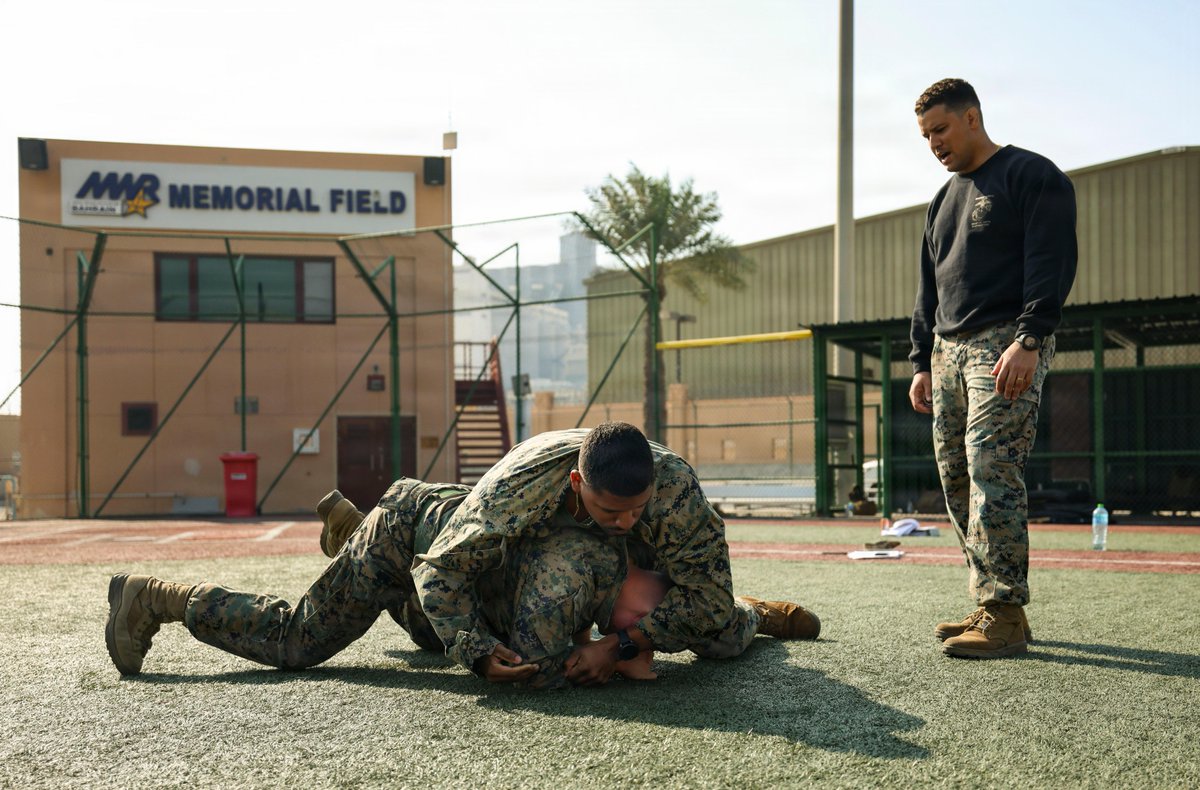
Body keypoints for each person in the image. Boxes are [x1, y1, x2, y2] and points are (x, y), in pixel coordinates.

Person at [106, 422, 819, 687]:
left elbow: (701, 595)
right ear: (576, 484)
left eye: (636, 513)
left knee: (718, 632)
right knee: (300, 641)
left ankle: (758, 614)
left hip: (506, 561)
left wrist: (622, 643)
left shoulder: (677, 496)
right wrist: (475, 650)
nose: (626, 521)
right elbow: (443, 572)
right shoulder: (519, 486)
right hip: (419, 532)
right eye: (610, 512)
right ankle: (157, 597)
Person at [908, 79, 1077, 659]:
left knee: (991, 465)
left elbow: (1052, 261)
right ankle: (989, 600)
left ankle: (1005, 611)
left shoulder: (1031, 175)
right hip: (946, 351)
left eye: (941, 129)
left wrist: (1031, 337)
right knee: (956, 477)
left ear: (973, 117)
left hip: (1006, 340)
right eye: (926, 135)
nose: (934, 143)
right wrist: (921, 361)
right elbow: (928, 288)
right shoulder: (941, 200)